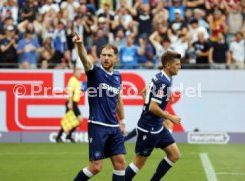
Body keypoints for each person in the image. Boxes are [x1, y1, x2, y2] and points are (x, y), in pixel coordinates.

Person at [72, 32, 126, 181]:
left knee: (120, 164)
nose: (106, 58)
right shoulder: (94, 72)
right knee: (96, 167)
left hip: (114, 126)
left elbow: (119, 100)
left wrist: (123, 121)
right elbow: (85, 59)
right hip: (98, 125)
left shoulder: (117, 76)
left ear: (115, 58)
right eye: (103, 55)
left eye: (109, 55)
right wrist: (80, 44)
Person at [125, 51, 182, 181]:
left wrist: (165, 96)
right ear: (168, 65)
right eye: (177, 64)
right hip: (148, 129)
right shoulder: (162, 82)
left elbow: (143, 92)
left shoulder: (161, 77)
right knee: (138, 164)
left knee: (174, 155)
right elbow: (152, 107)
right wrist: (170, 117)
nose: (180, 66)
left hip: (157, 126)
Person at [56, 66, 83, 143]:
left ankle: (65, 136)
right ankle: (63, 136)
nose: (80, 73)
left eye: (80, 71)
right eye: (78, 71)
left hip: (74, 103)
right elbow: (70, 91)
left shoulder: (76, 81)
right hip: (71, 103)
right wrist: (70, 103)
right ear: (74, 72)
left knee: (74, 120)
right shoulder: (72, 80)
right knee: (76, 119)